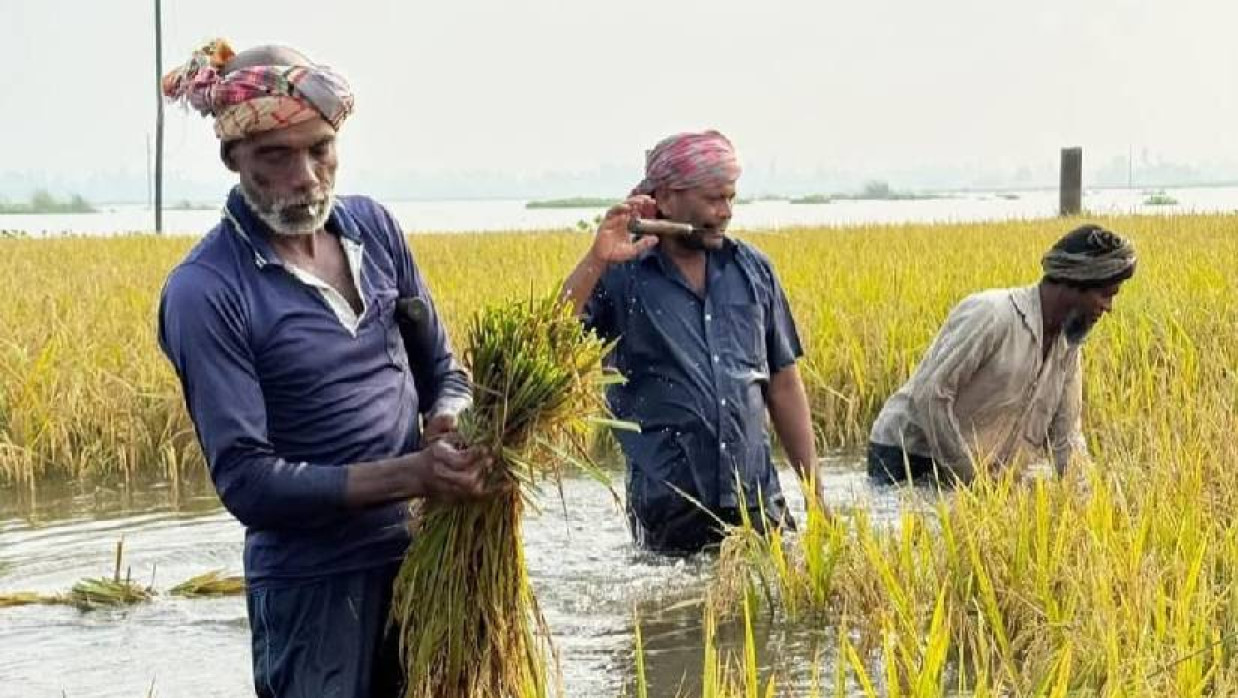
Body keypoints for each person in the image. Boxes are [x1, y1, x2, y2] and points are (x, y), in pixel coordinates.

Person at [157, 40, 490, 697]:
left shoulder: (374, 229)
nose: (306, 176)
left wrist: (448, 421)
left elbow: (445, 372)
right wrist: (415, 474)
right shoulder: (207, 289)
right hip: (313, 592)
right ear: (233, 158)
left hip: (426, 564)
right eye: (275, 156)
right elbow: (249, 483)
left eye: (320, 149)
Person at [562, 130, 820, 556]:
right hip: (669, 513)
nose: (725, 212)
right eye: (713, 199)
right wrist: (595, 260)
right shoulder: (623, 274)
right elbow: (551, 338)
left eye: (730, 198)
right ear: (666, 198)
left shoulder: (753, 271)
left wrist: (817, 497)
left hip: (757, 503)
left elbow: (784, 385)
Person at [868, 223, 1137, 484]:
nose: (1108, 308)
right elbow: (930, 395)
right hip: (907, 454)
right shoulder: (993, 315)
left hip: (972, 465)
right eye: (1105, 295)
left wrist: (1089, 495)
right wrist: (972, 479)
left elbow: (1067, 439)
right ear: (1074, 282)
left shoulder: (1067, 349)